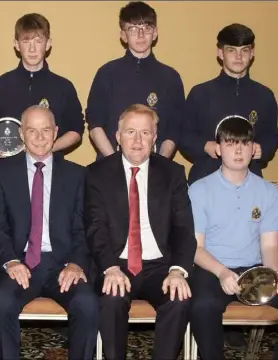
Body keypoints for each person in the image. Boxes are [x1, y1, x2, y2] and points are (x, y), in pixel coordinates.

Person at [188, 115, 278, 360]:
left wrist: (276, 274)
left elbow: (270, 245)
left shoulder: (268, 192)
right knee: (202, 306)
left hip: (254, 269)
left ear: (254, 149)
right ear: (218, 149)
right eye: (230, 144)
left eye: (244, 144)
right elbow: (195, 248)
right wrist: (221, 272)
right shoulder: (199, 189)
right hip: (212, 268)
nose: (238, 150)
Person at [84, 104, 195, 360]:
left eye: (145, 133)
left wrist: (178, 270)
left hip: (160, 266)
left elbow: (184, 229)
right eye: (130, 132)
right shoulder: (97, 174)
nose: (137, 140)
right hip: (117, 264)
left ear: (155, 138)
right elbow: (95, 227)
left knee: (179, 299)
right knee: (111, 299)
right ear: (117, 136)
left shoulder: (173, 173)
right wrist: (110, 267)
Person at [0, 106, 98, 359]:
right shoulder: (2, 172)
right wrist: (10, 260)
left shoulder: (77, 174)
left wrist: (76, 263)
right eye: (32, 130)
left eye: (46, 130)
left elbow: (85, 227)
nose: (39, 137)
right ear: (21, 133)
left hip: (63, 264)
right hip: (20, 262)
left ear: (56, 132)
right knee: (0, 300)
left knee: (87, 303)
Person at [180, 23, 278, 185]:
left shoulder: (264, 96)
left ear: (252, 53)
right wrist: (205, 146)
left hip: (249, 180)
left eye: (244, 50)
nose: (239, 57)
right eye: (231, 50)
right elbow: (184, 136)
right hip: (206, 178)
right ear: (221, 53)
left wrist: (262, 149)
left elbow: (272, 136)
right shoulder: (200, 93)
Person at [86, 1, 185, 160]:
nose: (141, 35)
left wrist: (158, 164)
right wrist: (114, 162)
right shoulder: (106, 73)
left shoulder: (170, 77)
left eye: (146, 28)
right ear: (123, 35)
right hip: (111, 166)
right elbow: (95, 123)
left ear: (155, 33)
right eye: (133, 29)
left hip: (155, 169)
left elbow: (174, 130)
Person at [0, 13, 84, 158]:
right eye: (26, 41)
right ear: (16, 44)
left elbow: (76, 130)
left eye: (38, 41)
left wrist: (47, 149)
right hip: (9, 170)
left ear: (48, 43)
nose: (32, 49)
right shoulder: (0, 85)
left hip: (52, 169)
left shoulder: (63, 87)